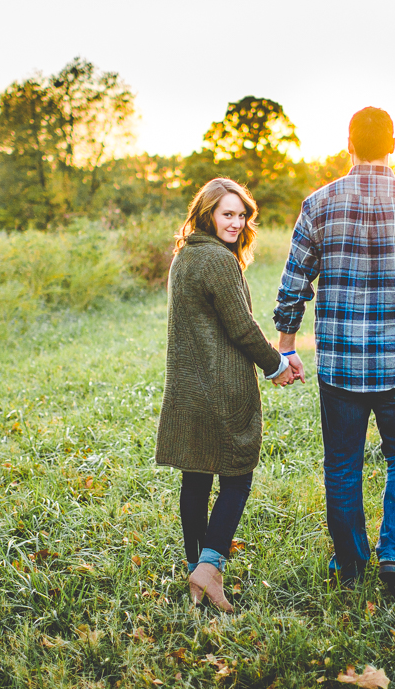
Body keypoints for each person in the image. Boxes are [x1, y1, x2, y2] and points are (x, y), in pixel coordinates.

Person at [272, 107, 395, 599]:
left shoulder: (318, 204)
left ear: (348, 142)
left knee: (343, 464)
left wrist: (287, 348)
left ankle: (350, 560)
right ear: (392, 144)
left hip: (341, 366)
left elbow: (293, 284)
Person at [156, 177, 298, 612]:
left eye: (241, 215)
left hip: (187, 387)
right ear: (207, 214)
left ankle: (196, 570)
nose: (236, 222)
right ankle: (209, 565)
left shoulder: (185, 255)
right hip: (221, 387)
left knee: (196, 477)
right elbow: (242, 327)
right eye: (227, 214)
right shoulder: (218, 260)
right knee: (238, 475)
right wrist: (277, 364)